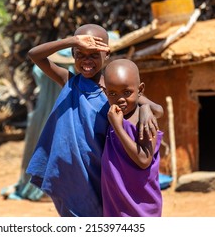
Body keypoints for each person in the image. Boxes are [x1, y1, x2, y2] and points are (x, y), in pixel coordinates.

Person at [26, 24, 163, 217]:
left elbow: (157, 109)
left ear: (106, 54)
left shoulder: (113, 90)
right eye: (80, 54)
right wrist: (72, 41)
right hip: (69, 174)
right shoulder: (69, 81)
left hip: (99, 173)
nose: (86, 61)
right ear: (73, 55)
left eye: (93, 55)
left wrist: (146, 108)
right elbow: (34, 55)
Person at [1, 49, 74, 201]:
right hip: (56, 111)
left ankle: (45, 189)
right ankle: (45, 189)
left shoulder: (67, 71)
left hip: (46, 112)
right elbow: (34, 55)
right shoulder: (67, 72)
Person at [102, 58, 163, 217]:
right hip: (116, 201)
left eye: (127, 92)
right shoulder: (116, 114)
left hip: (141, 205)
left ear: (140, 89)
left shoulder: (145, 121)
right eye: (113, 93)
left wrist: (117, 126)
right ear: (105, 92)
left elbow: (144, 160)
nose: (120, 99)